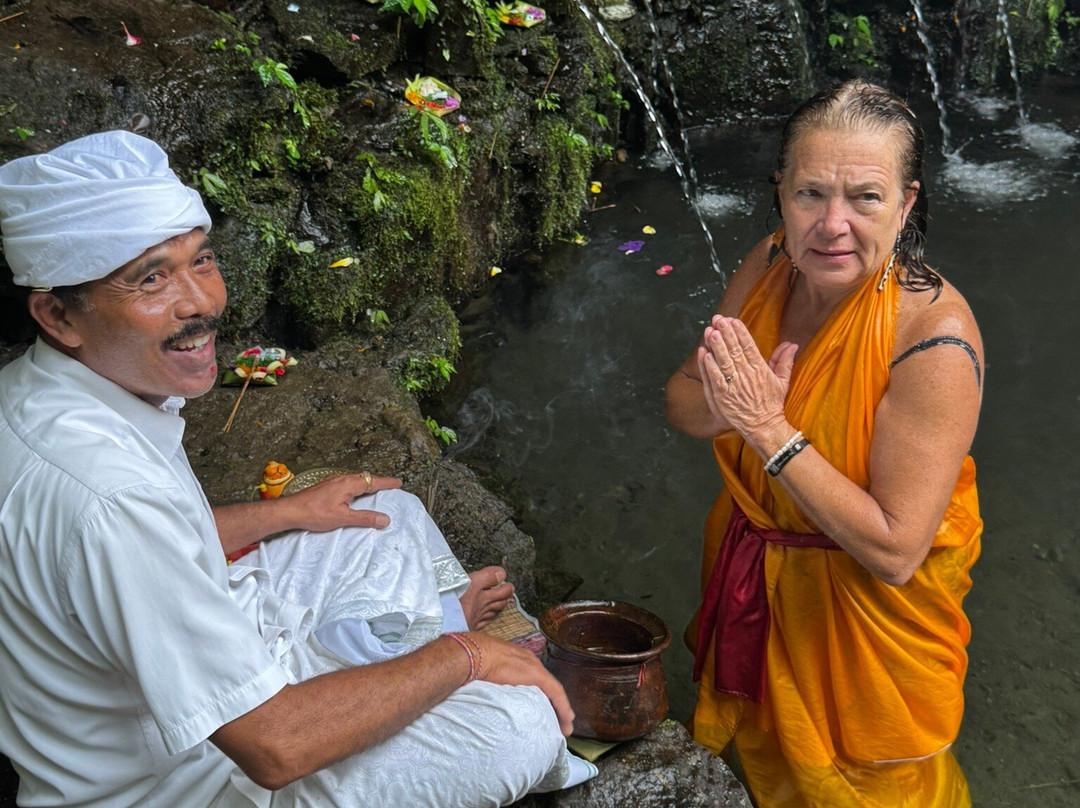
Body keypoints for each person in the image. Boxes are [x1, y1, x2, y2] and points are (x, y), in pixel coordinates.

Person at [0, 130, 596, 808]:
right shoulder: (113, 496)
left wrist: (289, 513)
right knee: (520, 725)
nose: (200, 302)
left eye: (202, 261)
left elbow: (162, 542)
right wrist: (465, 657)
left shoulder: (33, 396)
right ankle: (424, 639)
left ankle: (412, 634)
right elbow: (274, 748)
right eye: (151, 279)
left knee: (385, 513)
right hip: (195, 779)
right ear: (57, 315)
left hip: (195, 674)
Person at [665, 81, 983, 808]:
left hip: (865, 624)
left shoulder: (932, 338)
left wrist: (771, 432)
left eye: (865, 198)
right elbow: (683, 402)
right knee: (773, 753)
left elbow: (898, 552)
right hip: (759, 574)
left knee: (878, 787)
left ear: (906, 205)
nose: (831, 226)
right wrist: (734, 408)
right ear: (780, 193)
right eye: (811, 193)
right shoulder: (773, 261)